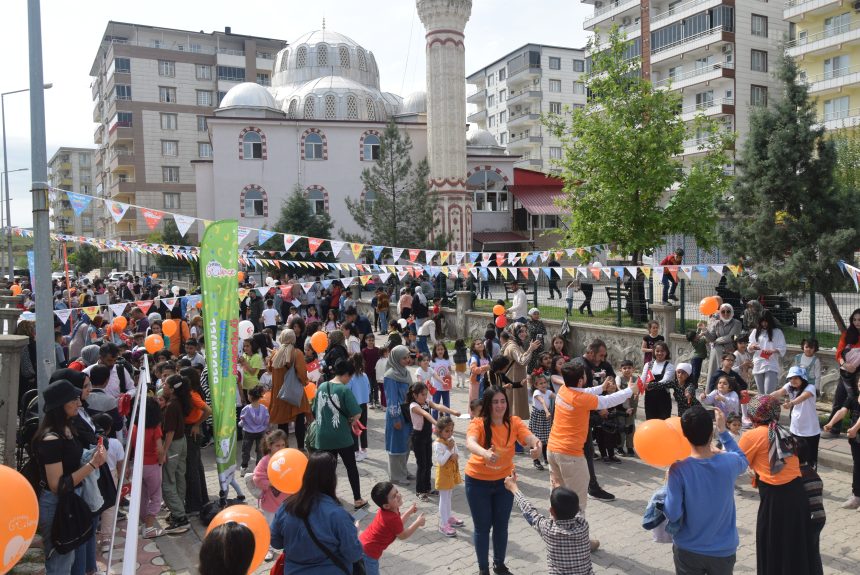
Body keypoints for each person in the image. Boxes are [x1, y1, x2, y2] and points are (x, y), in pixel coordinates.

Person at [547, 362, 638, 550]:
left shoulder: (564, 390)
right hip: (571, 456)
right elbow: (605, 402)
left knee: (557, 495)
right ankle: (580, 543)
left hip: (553, 451)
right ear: (581, 380)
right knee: (577, 502)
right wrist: (630, 390)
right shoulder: (580, 398)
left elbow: (585, 392)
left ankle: (555, 535)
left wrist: (601, 387)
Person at [464, 386, 543, 575]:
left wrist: (537, 445)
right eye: (495, 402)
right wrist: (484, 452)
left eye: (503, 401)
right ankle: (484, 569)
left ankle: (499, 565)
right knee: (482, 528)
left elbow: (529, 437)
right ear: (488, 405)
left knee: (501, 526)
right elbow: (470, 442)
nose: (500, 406)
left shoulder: (513, 422)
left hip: (504, 483)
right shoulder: (479, 423)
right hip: (477, 482)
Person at [34, 379, 107, 574]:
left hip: (71, 500)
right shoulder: (51, 439)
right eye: (73, 400)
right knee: (60, 563)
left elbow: (72, 462)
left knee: (70, 558)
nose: (79, 403)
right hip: (57, 504)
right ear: (60, 405)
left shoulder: (68, 428)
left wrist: (92, 455)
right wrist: (93, 464)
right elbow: (58, 485)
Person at [664, 406, 749, 575]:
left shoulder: (677, 470)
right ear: (712, 434)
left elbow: (672, 514)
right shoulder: (730, 462)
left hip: (688, 549)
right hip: (723, 550)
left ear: (685, 435)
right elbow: (742, 459)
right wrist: (723, 431)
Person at [739, 395, 813, 574]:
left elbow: (734, 464)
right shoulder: (784, 432)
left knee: (772, 548)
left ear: (754, 415)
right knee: (795, 550)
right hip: (798, 496)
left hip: (775, 500)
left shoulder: (752, 435)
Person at [270, 452, 364, 573]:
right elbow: (353, 554)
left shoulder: (286, 507)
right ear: (331, 479)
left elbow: (276, 542)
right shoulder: (337, 514)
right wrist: (354, 533)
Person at [504, 471, 592, 575]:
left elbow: (529, 511)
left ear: (551, 511)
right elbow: (575, 509)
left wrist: (514, 488)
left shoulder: (548, 529)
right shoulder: (583, 525)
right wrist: (559, 489)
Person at [312, 359, 367, 509]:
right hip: (342, 437)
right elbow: (357, 413)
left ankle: (328, 499)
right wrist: (350, 420)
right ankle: (357, 499)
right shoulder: (344, 390)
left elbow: (314, 410)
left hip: (323, 436)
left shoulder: (322, 386)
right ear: (347, 375)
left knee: (328, 470)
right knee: (351, 467)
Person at [408, 382, 460, 501]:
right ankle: (419, 491)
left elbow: (438, 406)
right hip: (418, 438)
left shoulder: (426, 402)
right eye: (422, 394)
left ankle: (427, 488)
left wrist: (452, 412)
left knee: (429, 464)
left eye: (426, 394)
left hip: (427, 437)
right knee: (422, 465)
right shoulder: (413, 405)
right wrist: (437, 424)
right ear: (415, 395)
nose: (425, 397)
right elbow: (425, 414)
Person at [359, 482, 425, 575]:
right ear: (386, 505)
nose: (398, 495)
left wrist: (408, 513)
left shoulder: (390, 510)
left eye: (397, 491)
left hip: (363, 545)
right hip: (368, 553)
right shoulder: (391, 517)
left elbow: (397, 526)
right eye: (394, 496)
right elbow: (402, 535)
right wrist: (417, 523)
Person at [267, 329, 312, 449]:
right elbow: (302, 374)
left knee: (282, 423)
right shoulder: (297, 353)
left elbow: (269, 369)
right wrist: (304, 382)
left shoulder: (275, 354)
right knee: (299, 421)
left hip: (279, 393)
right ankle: (301, 447)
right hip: (294, 392)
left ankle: (284, 449)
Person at [770, 365, 820, 470]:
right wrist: (765, 398)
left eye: (796, 378)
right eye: (791, 378)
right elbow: (778, 393)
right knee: (795, 457)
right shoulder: (789, 386)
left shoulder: (810, 388)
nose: (793, 380)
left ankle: (811, 479)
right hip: (795, 429)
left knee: (810, 460)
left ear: (802, 378)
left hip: (811, 431)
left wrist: (791, 403)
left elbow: (802, 398)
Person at [129, 397, 164, 539]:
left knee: (142, 496)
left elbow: (131, 446)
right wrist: (161, 460)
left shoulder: (134, 426)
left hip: (138, 466)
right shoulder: (155, 428)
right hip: (152, 465)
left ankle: (143, 524)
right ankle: (149, 528)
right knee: (155, 496)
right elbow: (160, 449)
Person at [253, 429, 289, 562]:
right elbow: (257, 478)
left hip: (288, 501)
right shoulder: (265, 461)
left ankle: (289, 547)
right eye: (277, 445)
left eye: (283, 445)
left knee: (289, 524)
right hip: (271, 502)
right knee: (269, 526)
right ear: (270, 446)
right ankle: (268, 548)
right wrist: (271, 483)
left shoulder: (288, 457)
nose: (280, 448)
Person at [161, 374, 191, 533]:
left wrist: (163, 451)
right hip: (182, 442)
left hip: (173, 444)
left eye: (165, 384)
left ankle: (180, 517)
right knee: (179, 477)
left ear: (172, 389)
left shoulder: (172, 405)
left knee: (167, 481)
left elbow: (169, 431)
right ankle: (179, 509)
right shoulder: (179, 401)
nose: (162, 385)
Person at [383, 346, 413, 486]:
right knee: (396, 445)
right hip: (397, 414)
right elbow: (391, 399)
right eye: (404, 358)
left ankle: (403, 470)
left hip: (407, 413)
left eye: (408, 357)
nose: (407, 360)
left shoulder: (405, 372)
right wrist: (395, 418)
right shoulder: (390, 375)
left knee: (406, 444)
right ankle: (396, 475)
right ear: (396, 358)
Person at [501, 323, 541, 421]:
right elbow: (522, 361)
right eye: (520, 331)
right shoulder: (512, 346)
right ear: (513, 332)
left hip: (517, 379)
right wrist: (531, 349)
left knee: (515, 410)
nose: (524, 334)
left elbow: (523, 359)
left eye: (524, 331)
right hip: (512, 380)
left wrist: (530, 350)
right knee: (512, 410)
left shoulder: (517, 344)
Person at [829, 308, 860, 436]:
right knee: (839, 400)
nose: (857, 322)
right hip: (845, 373)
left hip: (858, 375)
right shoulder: (847, 334)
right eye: (854, 319)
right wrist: (845, 364)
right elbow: (838, 354)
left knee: (855, 403)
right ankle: (833, 429)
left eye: (859, 320)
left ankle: (855, 430)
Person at [433, 415, 465, 537]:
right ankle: (443, 523)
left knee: (449, 496)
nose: (450, 433)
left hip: (451, 472)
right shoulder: (437, 444)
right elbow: (441, 461)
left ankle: (449, 517)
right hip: (443, 475)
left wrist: (455, 454)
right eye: (447, 431)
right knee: (444, 498)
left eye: (451, 430)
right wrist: (449, 450)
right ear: (439, 431)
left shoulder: (451, 439)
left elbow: (456, 452)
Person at [797, 438, 825, 575]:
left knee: (807, 553)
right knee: (813, 551)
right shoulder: (811, 471)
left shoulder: (797, 476)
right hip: (819, 518)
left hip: (809, 520)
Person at [748, 310, 787, 395]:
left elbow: (783, 347)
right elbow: (749, 346)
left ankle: (769, 408)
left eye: (766, 321)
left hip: (771, 364)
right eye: (762, 322)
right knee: (761, 393)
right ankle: (763, 408)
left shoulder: (777, 332)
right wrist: (752, 347)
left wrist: (773, 350)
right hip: (758, 363)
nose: (764, 324)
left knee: (769, 392)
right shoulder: (755, 331)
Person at [704, 303, 742, 385]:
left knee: (725, 375)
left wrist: (716, 341)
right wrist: (705, 331)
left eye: (728, 311)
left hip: (728, 353)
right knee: (713, 373)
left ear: (731, 312)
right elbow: (711, 338)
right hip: (716, 353)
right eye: (723, 311)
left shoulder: (737, 323)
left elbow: (732, 337)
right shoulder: (716, 323)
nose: (725, 314)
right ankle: (711, 393)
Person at [239, 386, 269, 474]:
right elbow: (266, 421)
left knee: (246, 450)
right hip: (261, 432)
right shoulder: (264, 408)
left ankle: (244, 467)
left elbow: (242, 421)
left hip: (248, 432)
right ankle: (259, 468)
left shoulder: (246, 409)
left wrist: (240, 424)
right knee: (260, 450)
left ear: (250, 397)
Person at [529, 371, 554, 470]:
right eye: (540, 383)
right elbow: (542, 401)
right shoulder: (536, 392)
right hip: (538, 417)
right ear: (536, 385)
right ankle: (536, 460)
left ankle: (546, 458)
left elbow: (557, 397)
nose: (543, 385)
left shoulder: (548, 392)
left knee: (546, 438)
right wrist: (547, 411)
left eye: (544, 382)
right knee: (536, 439)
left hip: (546, 417)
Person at [643, 342, 675, 420]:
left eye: (662, 351)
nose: (659, 353)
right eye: (657, 351)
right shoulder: (648, 365)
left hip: (663, 400)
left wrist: (650, 385)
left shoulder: (670, 366)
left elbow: (664, 381)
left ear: (666, 352)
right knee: (650, 422)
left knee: (663, 424)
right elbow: (642, 379)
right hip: (649, 400)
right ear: (654, 351)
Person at [348, 353, 370, 461]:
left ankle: (356, 451)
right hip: (364, 404)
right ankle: (364, 450)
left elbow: (347, 391)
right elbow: (369, 389)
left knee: (355, 429)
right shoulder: (364, 375)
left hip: (354, 406)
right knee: (363, 427)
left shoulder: (351, 377)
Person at [430, 341, 453, 417]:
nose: (440, 351)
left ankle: (447, 421)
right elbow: (431, 372)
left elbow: (450, 369)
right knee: (435, 405)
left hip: (446, 387)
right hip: (436, 387)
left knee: (447, 405)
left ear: (445, 350)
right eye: (438, 349)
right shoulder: (433, 361)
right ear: (435, 351)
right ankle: (434, 422)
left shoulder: (447, 360)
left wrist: (449, 373)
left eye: (442, 349)